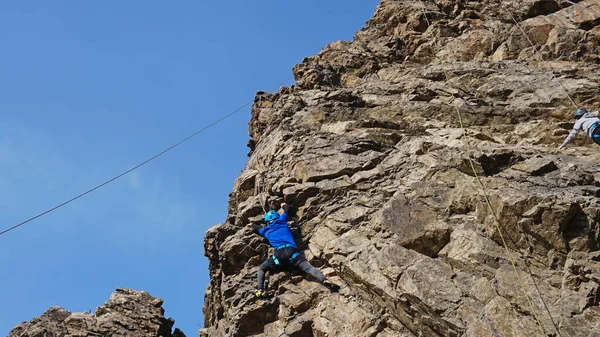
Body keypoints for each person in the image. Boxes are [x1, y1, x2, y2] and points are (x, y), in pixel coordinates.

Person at [251, 202, 340, 298]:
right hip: (292, 251)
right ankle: (324, 279)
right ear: (277, 217)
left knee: (263, 268)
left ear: (267, 221)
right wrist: (283, 205)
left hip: (279, 256)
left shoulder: (265, 230)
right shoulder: (282, 221)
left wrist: (252, 224)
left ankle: (260, 289)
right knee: (309, 268)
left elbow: (256, 227)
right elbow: (287, 209)